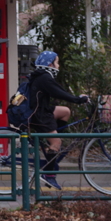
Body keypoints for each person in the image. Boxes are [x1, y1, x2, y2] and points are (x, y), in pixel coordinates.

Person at [27, 50, 89, 190]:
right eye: (57, 62)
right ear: (50, 64)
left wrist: (76, 99)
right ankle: (48, 174)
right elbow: (60, 93)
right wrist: (78, 100)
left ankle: (51, 143)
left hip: (41, 110)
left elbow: (60, 91)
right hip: (39, 115)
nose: (58, 66)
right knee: (57, 142)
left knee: (65, 111)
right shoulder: (45, 78)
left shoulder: (43, 76)